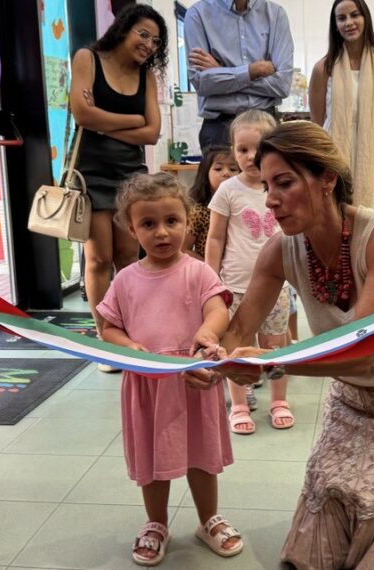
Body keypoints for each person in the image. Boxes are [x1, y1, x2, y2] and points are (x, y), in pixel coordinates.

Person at [187, 121, 374, 568]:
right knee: (314, 553)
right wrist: (210, 353)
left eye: (284, 183)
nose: (269, 200)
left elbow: (359, 352)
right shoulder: (280, 250)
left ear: (327, 179)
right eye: (267, 185)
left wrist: (270, 364)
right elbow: (238, 329)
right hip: (354, 406)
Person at [95, 173, 242, 566]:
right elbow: (108, 327)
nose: (161, 232)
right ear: (131, 228)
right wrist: (129, 346)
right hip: (148, 386)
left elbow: (218, 307)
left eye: (171, 221)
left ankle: (208, 519)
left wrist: (208, 332)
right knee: (153, 460)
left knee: (201, 455)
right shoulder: (125, 280)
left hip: (195, 380)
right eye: (148, 224)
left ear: (188, 220)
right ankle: (156, 523)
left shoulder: (197, 271)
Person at [70, 4, 166, 372]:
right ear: (123, 28)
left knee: (128, 257)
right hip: (91, 171)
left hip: (131, 174)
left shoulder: (147, 77)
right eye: (143, 34)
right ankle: (105, 338)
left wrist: (103, 123)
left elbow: (152, 132)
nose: (148, 44)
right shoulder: (88, 59)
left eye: (156, 41)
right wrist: (133, 119)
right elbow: (81, 114)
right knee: (97, 258)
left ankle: (130, 334)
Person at [204, 110, 294, 434]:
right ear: (233, 149)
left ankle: (279, 400)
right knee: (235, 346)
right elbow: (215, 237)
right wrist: (210, 279)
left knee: (275, 346)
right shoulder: (228, 190)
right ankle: (239, 404)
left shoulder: (280, 187)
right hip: (234, 286)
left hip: (276, 286)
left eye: (257, 149)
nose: (249, 157)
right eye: (241, 150)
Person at [308, 0, 374, 210]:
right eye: (342, 18)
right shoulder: (323, 68)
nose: (349, 22)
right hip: (335, 148)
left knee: (373, 215)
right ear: (335, 25)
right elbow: (318, 123)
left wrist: (363, 128)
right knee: (335, 210)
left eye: (354, 15)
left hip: (373, 149)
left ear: (365, 18)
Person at [185, 0, 293, 149]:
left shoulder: (276, 14)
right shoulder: (197, 14)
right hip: (220, 128)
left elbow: (282, 85)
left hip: (267, 124)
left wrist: (222, 71)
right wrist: (253, 71)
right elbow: (202, 83)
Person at [185, 145, 240, 261]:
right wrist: (208, 267)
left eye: (233, 169)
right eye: (218, 169)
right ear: (205, 174)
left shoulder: (242, 209)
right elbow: (184, 249)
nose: (226, 173)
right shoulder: (199, 212)